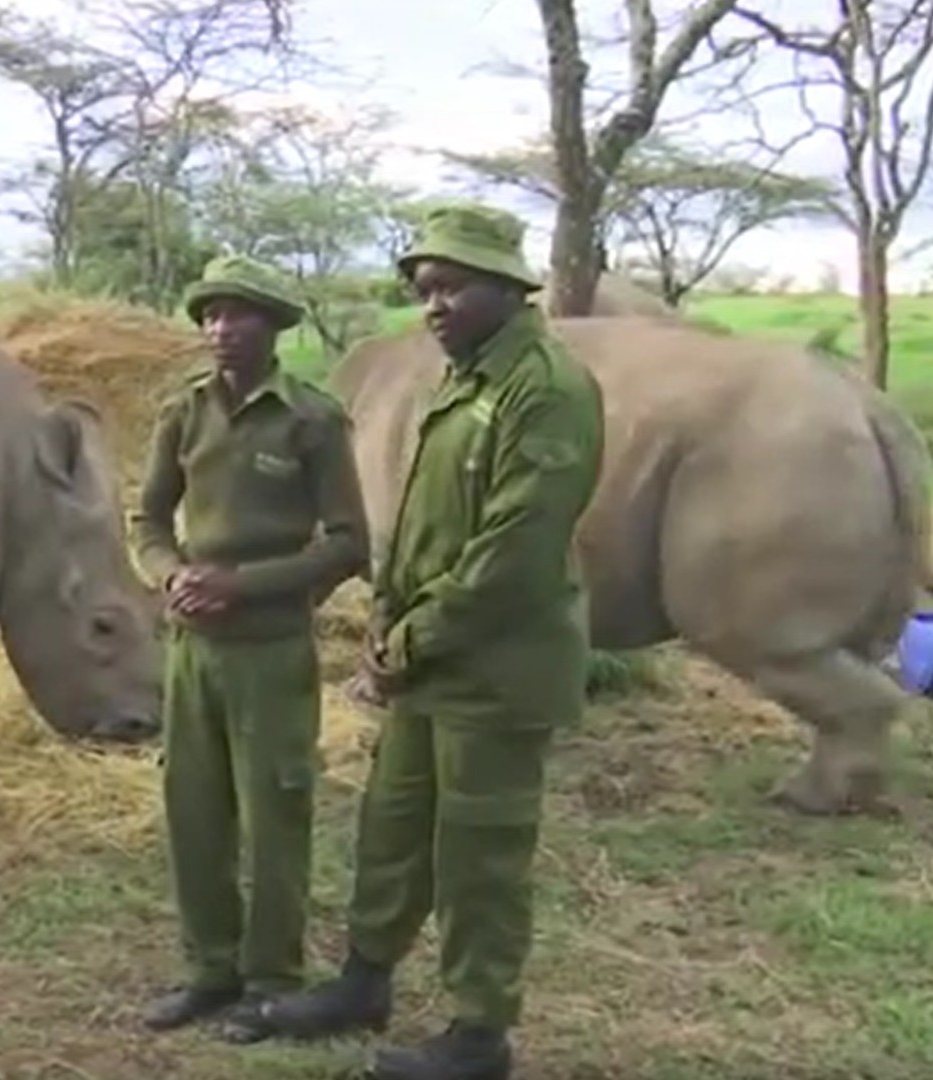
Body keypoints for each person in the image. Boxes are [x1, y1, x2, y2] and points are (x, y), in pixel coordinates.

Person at [255, 203, 605, 1080]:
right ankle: (363, 982)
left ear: (507, 287)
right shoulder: (466, 379)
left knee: (480, 854)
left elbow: (515, 550)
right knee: (394, 828)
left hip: (496, 671)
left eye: (451, 287)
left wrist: (412, 636)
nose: (434, 306)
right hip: (428, 660)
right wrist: (390, 624)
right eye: (423, 290)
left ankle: (480, 1034)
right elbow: (429, 525)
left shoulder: (546, 389)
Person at [127, 254, 370, 1044]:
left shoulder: (312, 419)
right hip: (192, 651)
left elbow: (347, 544)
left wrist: (244, 584)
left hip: (271, 651)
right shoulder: (184, 412)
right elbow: (148, 521)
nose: (220, 328)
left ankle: (271, 982)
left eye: (238, 314)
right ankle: (209, 971)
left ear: (273, 326)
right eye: (210, 315)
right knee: (193, 813)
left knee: (275, 818)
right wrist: (171, 576)